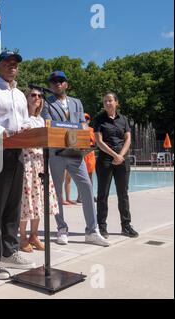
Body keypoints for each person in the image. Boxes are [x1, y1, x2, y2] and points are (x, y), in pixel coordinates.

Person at [0, 51, 36, 280]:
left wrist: (28, 126)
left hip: (17, 149)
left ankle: (10, 251)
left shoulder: (20, 94)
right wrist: (7, 132)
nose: (12, 66)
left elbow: (26, 119)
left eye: (16, 64)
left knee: (13, 203)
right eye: (8, 63)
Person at [41, 70, 109, 247]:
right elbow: (49, 126)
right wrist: (72, 128)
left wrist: (83, 139)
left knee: (86, 188)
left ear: (66, 84)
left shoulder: (77, 102)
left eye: (61, 80)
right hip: (56, 154)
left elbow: (83, 125)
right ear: (50, 85)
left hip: (75, 154)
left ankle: (92, 231)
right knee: (56, 192)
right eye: (54, 81)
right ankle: (62, 228)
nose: (57, 83)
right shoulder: (46, 104)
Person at [19, 88, 59, 253]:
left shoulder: (41, 120)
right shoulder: (20, 117)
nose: (37, 98)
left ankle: (34, 235)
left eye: (40, 96)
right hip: (26, 161)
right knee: (26, 200)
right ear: (26, 98)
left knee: (39, 200)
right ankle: (22, 236)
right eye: (33, 95)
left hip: (41, 161)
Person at [94, 92, 139, 238]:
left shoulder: (124, 119)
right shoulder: (99, 119)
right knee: (102, 195)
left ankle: (126, 226)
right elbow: (99, 142)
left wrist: (121, 156)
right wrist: (115, 155)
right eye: (105, 101)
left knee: (123, 194)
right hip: (105, 161)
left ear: (116, 102)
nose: (107, 103)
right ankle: (102, 227)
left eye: (110, 100)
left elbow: (128, 139)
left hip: (122, 160)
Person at [77, 113, 97, 203]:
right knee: (80, 176)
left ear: (89, 120)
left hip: (90, 154)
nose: (85, 120)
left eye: (87, 119)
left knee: (90, 176)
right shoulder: (78, 129)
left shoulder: (92, 130)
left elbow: (93, 141)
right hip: (81, 153)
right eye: (83, 119)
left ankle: (90, 196)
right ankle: (79, 197)